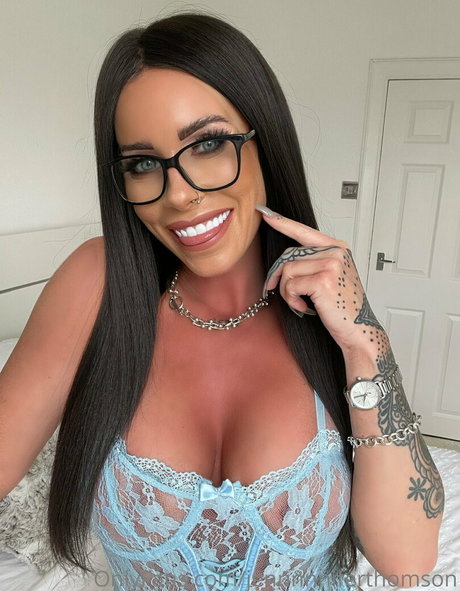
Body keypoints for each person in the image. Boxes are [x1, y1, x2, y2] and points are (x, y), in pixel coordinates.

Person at [0, 11, 444, 591]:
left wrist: (366, 345)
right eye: (142, 164)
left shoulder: (328, 308)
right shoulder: (97, 283)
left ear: (265, 141)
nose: (179, 195)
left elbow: (408, 561)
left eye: (208, 144)